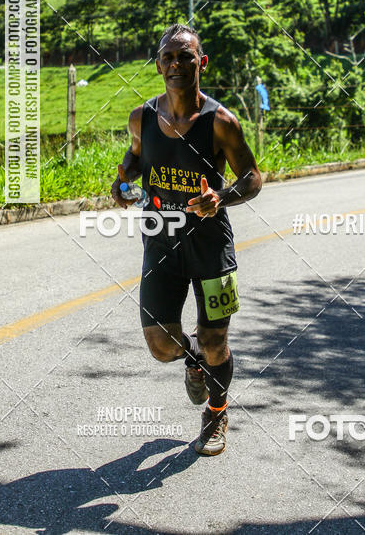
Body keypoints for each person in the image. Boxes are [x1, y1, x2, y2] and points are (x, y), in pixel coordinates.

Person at [112, 23, 262, 456]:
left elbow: (252, 178)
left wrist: (223, 197)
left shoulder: (220, 122)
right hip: (160, 241)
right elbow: (138, 155)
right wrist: (122, 180)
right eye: (168, 57)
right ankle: (192, 359)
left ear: (201, 61)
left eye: (185, 56)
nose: (176, 64)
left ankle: (216, 412)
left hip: (211, 246)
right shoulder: (142, 117)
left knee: (216, 340)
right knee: (161, 346)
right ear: (159, 64)